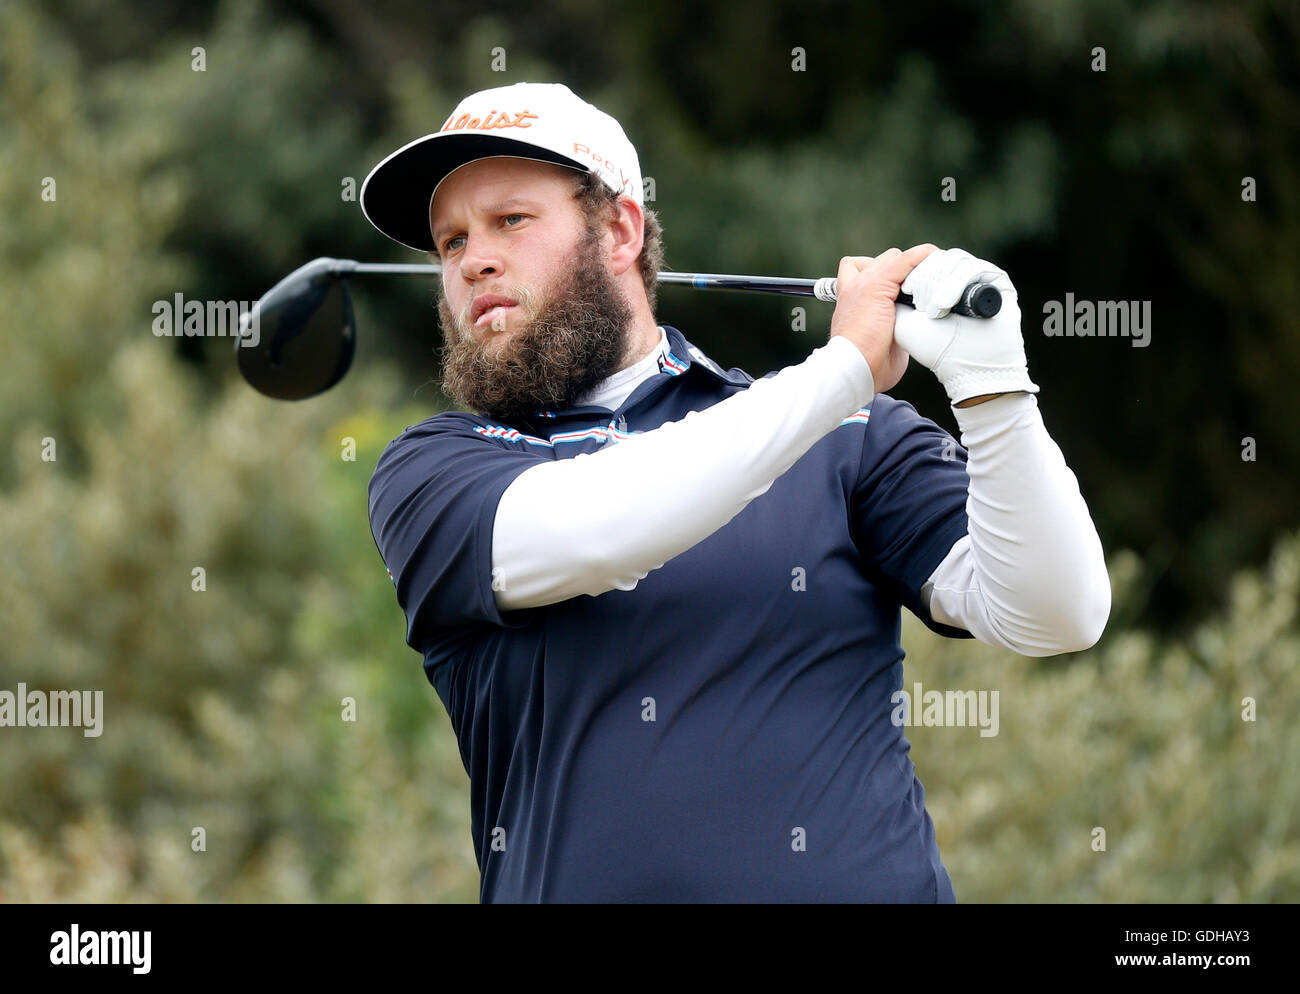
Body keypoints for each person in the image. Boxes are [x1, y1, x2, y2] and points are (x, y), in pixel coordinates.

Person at [361, 82, 1110, 903]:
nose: (474, 261)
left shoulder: (846, 434)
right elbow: (598, 529)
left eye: (510, 221)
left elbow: (1056, 611)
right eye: (450, 242)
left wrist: (991, 382)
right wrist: (843, 370)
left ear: (618, 231)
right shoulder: (433, 470)